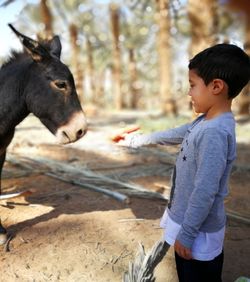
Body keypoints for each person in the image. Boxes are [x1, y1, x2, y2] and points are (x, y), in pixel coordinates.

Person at [112, 44, 250, 282]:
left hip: (197, 231)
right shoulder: (206, 122)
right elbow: (176, 133)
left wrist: (186, 234)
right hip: (189, 221)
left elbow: (205, 190)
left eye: (192, 85)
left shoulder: (214, 133)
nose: (189, 93)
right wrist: (135, 141)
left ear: (216, 86)